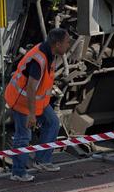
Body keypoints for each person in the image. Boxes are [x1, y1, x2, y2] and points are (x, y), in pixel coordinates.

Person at [4, 28, 72, 182]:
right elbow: (31, 88)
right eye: (67, 42)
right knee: (23, 136)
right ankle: (18, 172)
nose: (69, 45)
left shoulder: (49, 53)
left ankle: (42, 160)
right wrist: (32, 114)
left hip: (36, 101)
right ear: (57, 44)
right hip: (22, 102)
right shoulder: (39, 60)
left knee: (53, 122)